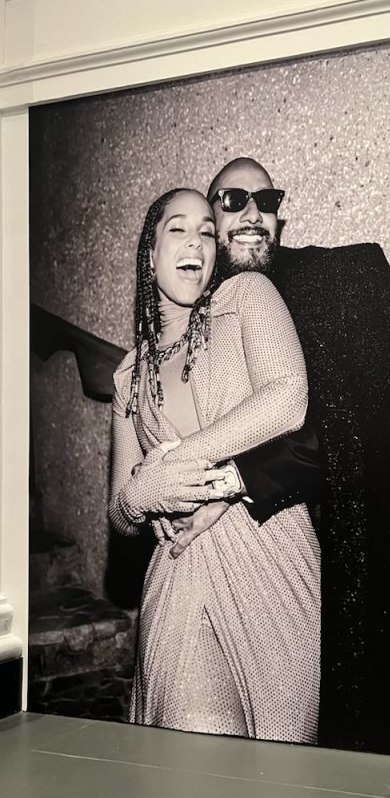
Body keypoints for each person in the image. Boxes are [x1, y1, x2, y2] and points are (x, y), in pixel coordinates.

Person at [187, 156, 390, 759]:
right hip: (226, 561)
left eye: (267, 201)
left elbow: (352, 426)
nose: (253, 214)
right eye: (233, 201)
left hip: (328, 555)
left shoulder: (328, 284)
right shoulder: (196, 312)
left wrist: (230, 481)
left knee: (332, 738)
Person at [108, 188, 321, 742]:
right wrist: (142, 494)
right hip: (181, 570)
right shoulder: (129, 376)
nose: (196, 242)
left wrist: (178, 466)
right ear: (150, 253)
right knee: (193, 756)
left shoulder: (246, 296)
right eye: (178, 229)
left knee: (279, 768)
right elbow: (120, 513)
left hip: (273, 560)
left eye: (206, 231)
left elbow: (288, 399)